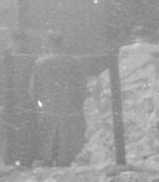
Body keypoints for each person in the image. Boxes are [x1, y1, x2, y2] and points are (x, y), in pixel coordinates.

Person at [27, 31, 107, 166]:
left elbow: (33, 87)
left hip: (48, 103)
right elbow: (81, 84)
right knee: (67, 132)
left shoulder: (40, 63)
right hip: (69, 103)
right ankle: (66, 159)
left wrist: (37, 101)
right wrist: (78, 99)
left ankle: (48, 158)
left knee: (48, 132)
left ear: (49, 44)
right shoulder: (73, 62)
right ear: (61, 44)